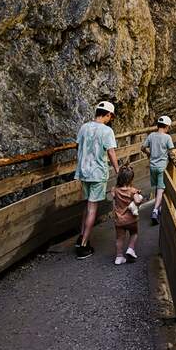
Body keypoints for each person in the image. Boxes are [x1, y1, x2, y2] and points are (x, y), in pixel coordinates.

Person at [73, 100, 119, 260]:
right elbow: (111, 152)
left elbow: (78, 146)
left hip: (83, 171)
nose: (110, 119)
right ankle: (83, 245)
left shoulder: (84, 127)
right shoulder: (107, 131)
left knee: (87, 206)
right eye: (111, 117)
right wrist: (118, 170)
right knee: (92, 208)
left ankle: (81, 236)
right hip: (98, 173)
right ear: (108, 114)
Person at [142, 116, 174, 224]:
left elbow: (143, 147)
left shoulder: (151, 135)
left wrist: (149, 154)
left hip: (152, 166)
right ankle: (155, 210)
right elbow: (172, 151)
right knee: (161, 189)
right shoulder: (167, 137)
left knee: (158, 187)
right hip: (162, 167)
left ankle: (158, 207)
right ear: (167, 126)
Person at [110, 166, 144, 265]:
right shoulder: (132, 191)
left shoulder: (115, 190)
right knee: (134, 233)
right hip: (131, 219)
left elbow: (113, 195)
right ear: (131, 179)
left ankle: (119, 257)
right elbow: (137, 201)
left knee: (119, 238)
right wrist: (139, 198)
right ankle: (130, 248)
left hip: (119, 220)